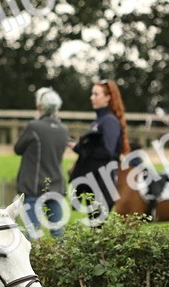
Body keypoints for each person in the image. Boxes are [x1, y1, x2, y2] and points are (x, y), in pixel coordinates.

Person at [68, 79, 130, 225]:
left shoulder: (109, 121)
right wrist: (77, 147)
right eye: (92, 94)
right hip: (94, 181)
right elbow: (95, 149)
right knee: (95, 226)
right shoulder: (100, 121)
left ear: (108, 97)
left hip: (103, 182)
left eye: (96, 94)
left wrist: (85, 149)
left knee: (98, 227)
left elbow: (108, 152)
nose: (92, 98)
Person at [13, 87, 70, 238]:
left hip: (34, 187)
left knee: (33, 232)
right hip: (56, 185)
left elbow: (18, 149)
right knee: (58, 233)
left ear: (39, 106)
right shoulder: (64, 129)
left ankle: (34, 255)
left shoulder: (34, 127)